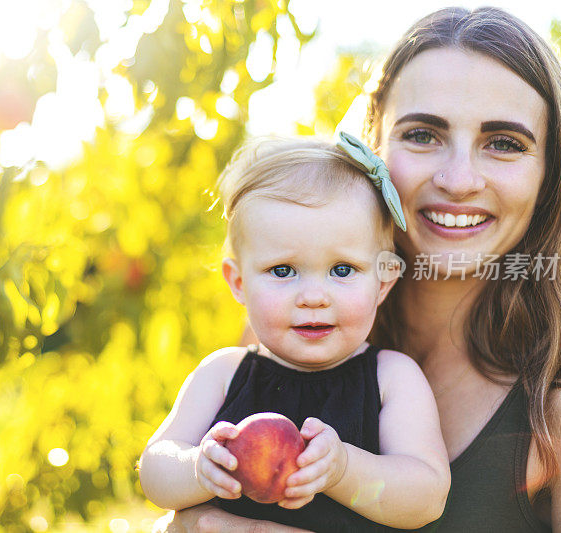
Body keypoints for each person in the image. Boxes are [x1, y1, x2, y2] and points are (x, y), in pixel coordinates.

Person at [160, 6, 561, 532]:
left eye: (504, 143)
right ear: (372, 151)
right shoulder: (298, 326)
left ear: (549, 174)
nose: (459, 180)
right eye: (422, 135)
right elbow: (180, 493)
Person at [139, 135, 450, 531]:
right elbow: (154, 468)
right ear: (238, 283)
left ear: (384, 280)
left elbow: (427, 497)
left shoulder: (392, 377)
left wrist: (343, 470)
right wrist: (196, 467)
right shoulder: (224, 373)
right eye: (283, 271)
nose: (314, 297)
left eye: (342, 270)